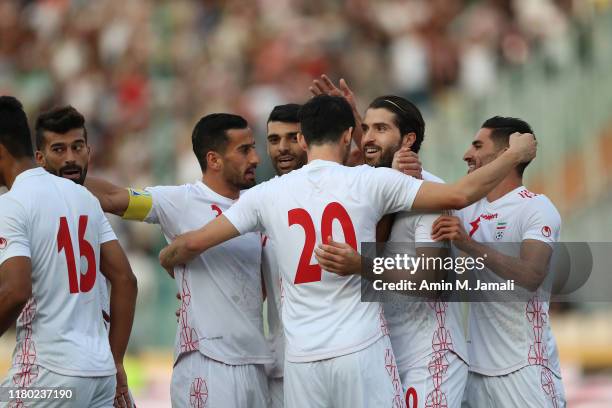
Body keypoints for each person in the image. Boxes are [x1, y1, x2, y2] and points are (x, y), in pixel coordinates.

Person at [159, 95, 536, 407]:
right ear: (347, 138)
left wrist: (169, 262)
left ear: (303, 141)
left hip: (303, 361)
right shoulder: (370, 182)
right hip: (361, 350)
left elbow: (192, 243)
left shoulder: (265, 195)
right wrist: (513, 154)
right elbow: (459, 194)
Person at [85, 113, 272, 407]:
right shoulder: (182, 201)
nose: (257, 158)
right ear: (214, 159)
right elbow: (111, 198)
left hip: (264, 362)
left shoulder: (264, 203)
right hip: (211, 362)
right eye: (245, 149)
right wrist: (47, 177)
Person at [315, 93, 469, 407]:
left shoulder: (431, 194)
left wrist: (362, 265)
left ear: (408, 139)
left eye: (380, 129)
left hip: (428, 356)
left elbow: (431, 282)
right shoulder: (366, 192)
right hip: (381, 358)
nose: (367, 139)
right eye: (364, 129)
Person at [0, 96, 137, 408]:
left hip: (48, 373)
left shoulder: (11, 205)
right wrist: (115, 363)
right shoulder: (84, 198)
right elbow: (126, 279)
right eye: (59, 149)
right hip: (100, 372)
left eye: (77, 146)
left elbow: (15, 290)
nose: (70, 157)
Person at [430, 117, 565, 407]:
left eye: (478, 146)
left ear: (506, 154)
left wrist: (469, 244)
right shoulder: (465, 208)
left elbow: (531, 275)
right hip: (473, 372)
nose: (467, 154)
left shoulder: (535, 206)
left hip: (525, 369)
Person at [263, 103, 307, 408]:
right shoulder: (260, 201)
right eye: (274, 139)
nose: (283, 148)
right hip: (282, 361)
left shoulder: (343, 189)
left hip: (339, 352)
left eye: (293, 137)